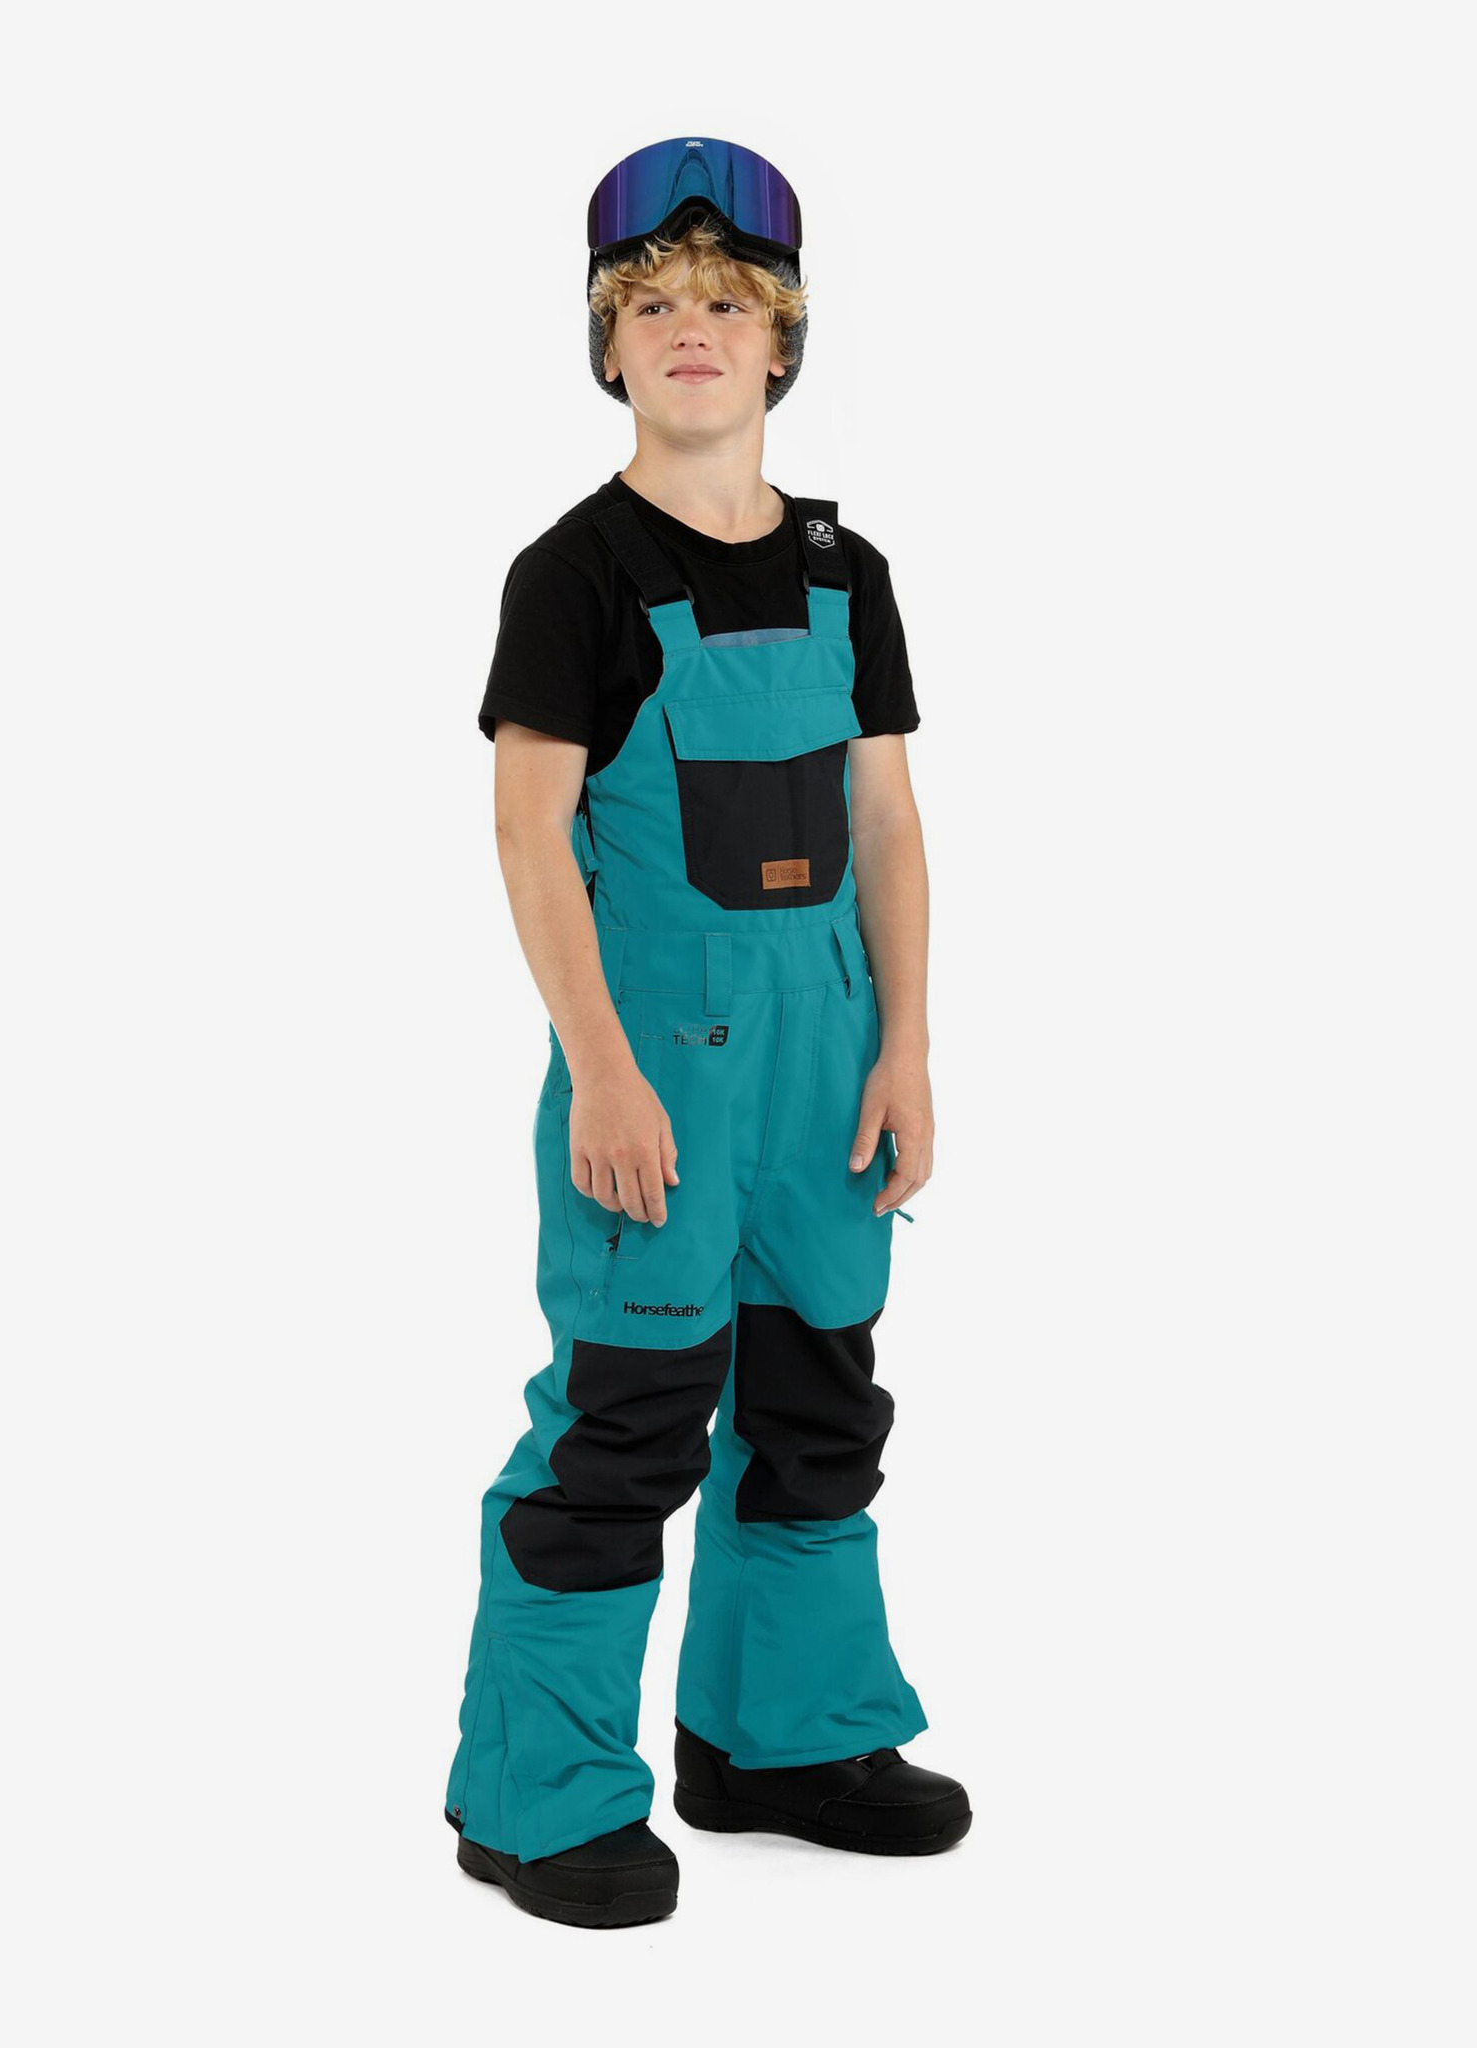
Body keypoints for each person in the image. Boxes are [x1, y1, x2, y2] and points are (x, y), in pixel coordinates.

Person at [444, 136, 970, 1929]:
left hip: (826, 1071)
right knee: (627, 1421)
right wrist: (599, 1067)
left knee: (820, 1404)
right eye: (652, 303)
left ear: (783, 345)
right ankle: (535, 1798)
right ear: (606, 346)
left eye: (729, 305)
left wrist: (909, 1048)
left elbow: (887, 822)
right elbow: (530, 833)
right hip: (654, 1072)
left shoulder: (849, 570)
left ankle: (782, 1744)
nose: (691, 329)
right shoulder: (573, 573)